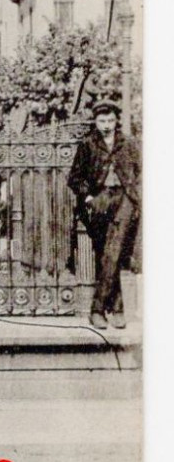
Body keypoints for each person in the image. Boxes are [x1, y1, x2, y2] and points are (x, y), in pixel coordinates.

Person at [68, 100, 141, 329]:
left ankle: (98, 309)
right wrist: (88, 197)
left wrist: (135, 195)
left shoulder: (129, 143)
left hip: (124, 200)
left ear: (116, 120)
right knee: (108, 255)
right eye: (102, 121)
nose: (107, 125)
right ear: (95, 121)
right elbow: (75, 178)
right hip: (99, 200)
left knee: (115, 250)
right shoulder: (88, 144)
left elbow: (142, 171)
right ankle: (116, 307)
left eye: (110, 120)